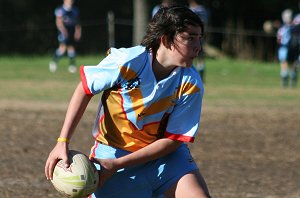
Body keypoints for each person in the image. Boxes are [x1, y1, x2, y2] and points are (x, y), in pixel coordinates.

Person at [45, 5, 211, 198]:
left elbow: (174, 140)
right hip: (113, 154)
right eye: (189, 38)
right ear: (165, 39)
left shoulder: (191, 81)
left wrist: (118, 165)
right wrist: (62, 141)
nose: (198, 46)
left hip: (165, 159)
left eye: (199, 38)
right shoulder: (128, 61)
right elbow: (85, 88)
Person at [49, 0, 81, 73]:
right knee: (63, 48)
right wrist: (63, 31)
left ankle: (72, 66)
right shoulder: (60, 10)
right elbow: (58, 22)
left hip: (71, 31)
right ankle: (53, 62)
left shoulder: (75, 10)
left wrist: (78, 31)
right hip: (63, 32)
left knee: (71, 48)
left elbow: (77, 23)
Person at [187, 0, 209, 83]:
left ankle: (193, 78)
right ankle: (201, 78)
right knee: (200, 58)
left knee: (191, 57)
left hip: (190, 38)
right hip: (200, 36)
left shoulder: (191, 11)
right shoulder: (203, 10)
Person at [276, 9, 298, 87]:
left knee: (285, 62)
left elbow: (278, 39)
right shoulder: (294, 27)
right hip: (290, 48)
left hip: (284, 47)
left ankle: (286, 76)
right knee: (290, 62)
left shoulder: (283, 27)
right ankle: (291, 76)